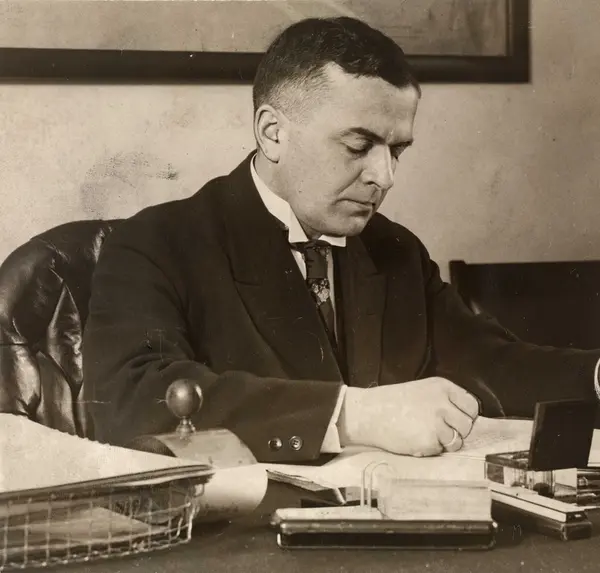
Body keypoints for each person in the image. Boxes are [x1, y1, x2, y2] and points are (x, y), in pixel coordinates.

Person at [82, 17, 600, 463]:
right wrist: (352, 415)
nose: (385, 177)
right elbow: (134, 398)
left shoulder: (394, 250)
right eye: (358, 146)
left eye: (397, 151)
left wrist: (596, 374)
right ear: (272, 133)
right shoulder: (156, 244)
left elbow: (486, 360)